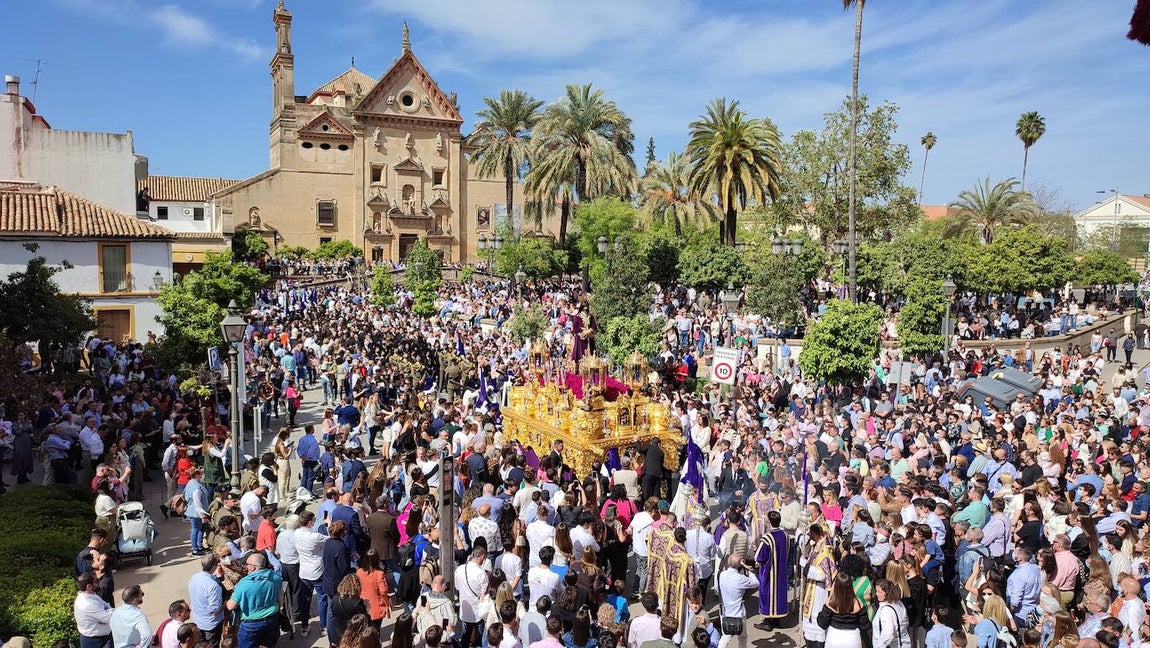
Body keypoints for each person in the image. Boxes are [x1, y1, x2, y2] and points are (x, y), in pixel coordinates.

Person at [226, 552, 283, 648]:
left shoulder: (244, 584)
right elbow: (280, 596)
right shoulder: (276, 577)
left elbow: (230, 606)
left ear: (254, 567)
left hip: (251, 624)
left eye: (247, 564)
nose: (245, 566)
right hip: (272, 618)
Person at [753, 510, 789, 631]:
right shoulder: (785, 535)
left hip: (770, 571)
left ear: (769, 522)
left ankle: (768, 622)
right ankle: (777, 619)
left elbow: (759, 556)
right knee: (779, 594)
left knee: (768, 595)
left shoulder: (768, 537)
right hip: (782, 570)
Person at [816, 572, 870, 648]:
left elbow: (822, 623)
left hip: (834, 638)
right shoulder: (858, 603)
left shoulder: (831, 603)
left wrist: (830, 596)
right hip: (853, 639)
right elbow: (865, 625)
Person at [716, 554, 759, 648]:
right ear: (740, 565)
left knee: (725, 638)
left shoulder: (722, 575)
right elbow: (756, 583)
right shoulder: (740, 579)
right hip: (739, 614)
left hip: (725, 613)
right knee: (742, 638)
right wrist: (749, 571)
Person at [455, 546, 489, 648]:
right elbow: (483, 596)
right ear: (482, 557)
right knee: (481, 639)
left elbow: (457, 587)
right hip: (478, 612)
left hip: (464, 611)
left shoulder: (460, 569)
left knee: (465, 637)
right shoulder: (482, 574)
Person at [187, 554, 224, 646]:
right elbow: (214, 609)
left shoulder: (194, 577)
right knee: (212, 645)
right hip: (211, 624)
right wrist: (225, 605)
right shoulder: (213, 586)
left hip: (198, 620)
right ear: (214, 566)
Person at [75, 572, 114, 648]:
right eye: (96, 581)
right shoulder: (87, 604)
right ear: (88, 586)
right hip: (96, 642)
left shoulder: (91, 595)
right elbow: (108, 618)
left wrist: (107, 611)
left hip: (100, 639)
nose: (99, 582)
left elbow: (106, 608)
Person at [328, 574, 368, 647]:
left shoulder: (335, 599)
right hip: (352, 634)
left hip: (338, 633)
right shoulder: (357, 602)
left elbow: (334, 614)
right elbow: (363, 619)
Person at [357, 548, 391, 629]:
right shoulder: (379, 574)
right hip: (376, 607)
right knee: (375, 631)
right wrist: (387, 604)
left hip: (363, 606)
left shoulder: (359, 572)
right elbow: (383, 591)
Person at [873, 579, 911, 648]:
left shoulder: (886, 610)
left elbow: (888, 633)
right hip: (904, 643)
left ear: (887, 593)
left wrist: (879, 646)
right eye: (876, 591)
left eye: (879, 592)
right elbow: (906, 622)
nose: (876, 594)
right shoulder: (899, 603)